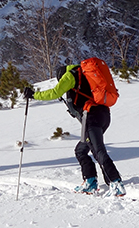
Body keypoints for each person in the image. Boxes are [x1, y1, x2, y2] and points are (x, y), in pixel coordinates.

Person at [24, 61, 125, 196]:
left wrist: (34, 95)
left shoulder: (70, 75)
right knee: (81, 150)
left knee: (98, 150)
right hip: (104, 116)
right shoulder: (85, 74)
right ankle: (90, 181)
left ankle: (115, 182)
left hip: (91, 117)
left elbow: (54, 93)